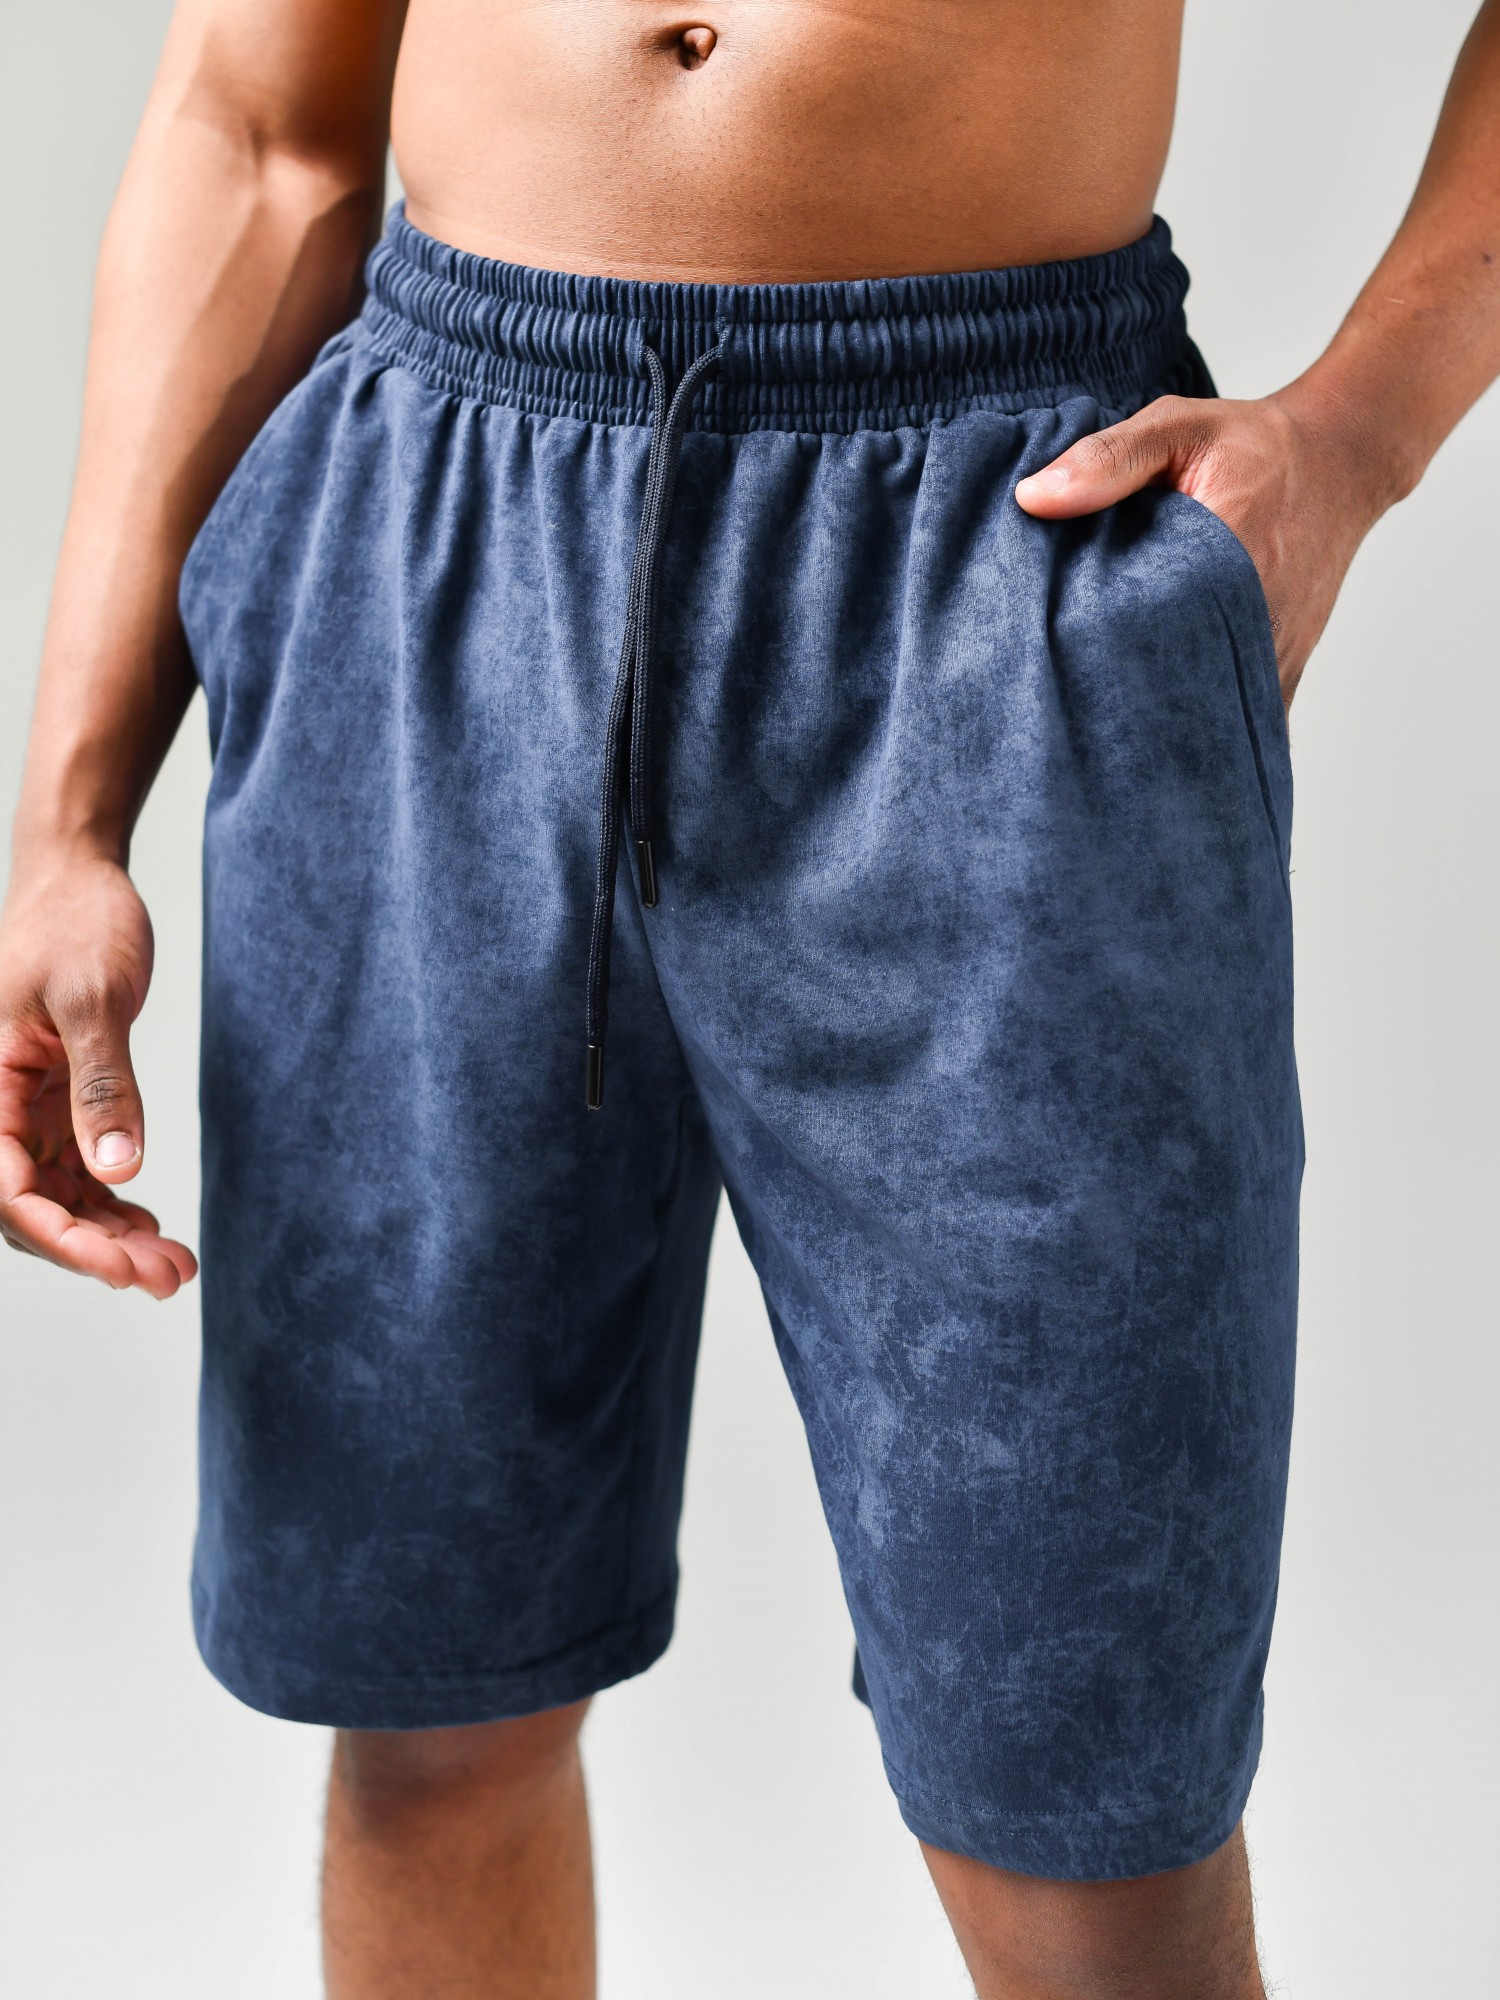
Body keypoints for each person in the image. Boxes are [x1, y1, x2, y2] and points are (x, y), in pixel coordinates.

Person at [2, 0, 1497, 1992]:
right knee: (432, 1710)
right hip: (438, 549)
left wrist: (1358, 437)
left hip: (996, 552)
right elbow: (260, 128)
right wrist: (67, 820)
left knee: (1087, 1822)